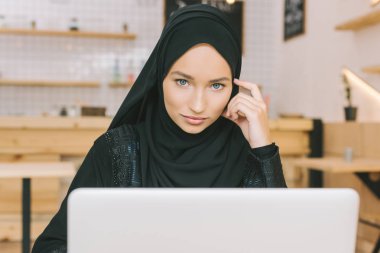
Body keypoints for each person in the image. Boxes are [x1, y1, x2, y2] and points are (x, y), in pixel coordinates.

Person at [32, 4, 287, 253]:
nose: (198, 105)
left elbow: (284, 242)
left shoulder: (246, 154)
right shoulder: (117, 150)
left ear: (233, 87)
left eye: (216, 86)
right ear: (160, 78)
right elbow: (51, 247)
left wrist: (263, 147)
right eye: (183, 81)